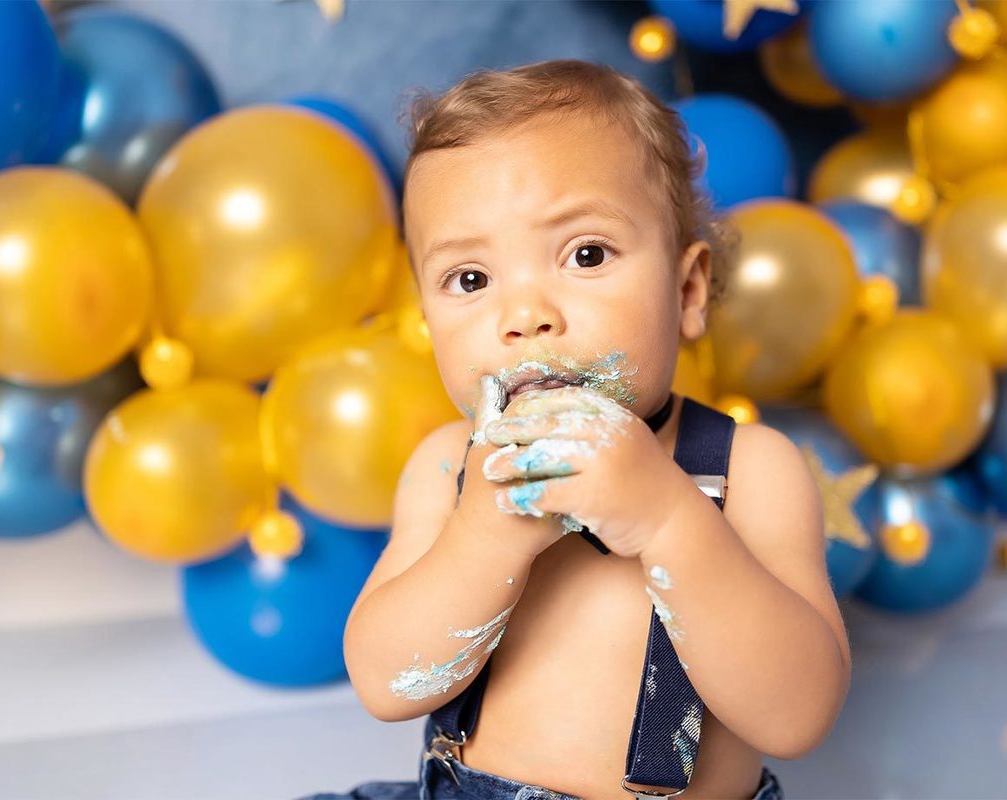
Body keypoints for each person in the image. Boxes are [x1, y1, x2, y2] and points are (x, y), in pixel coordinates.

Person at [305, 59, 850, 800]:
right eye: (470, 279)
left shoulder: (749, 469)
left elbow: (796, 715)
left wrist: (668, 519)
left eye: (585, 255)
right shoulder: (449, 469)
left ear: (687, 291)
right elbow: (387, 683)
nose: (525, 316)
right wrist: (483, 537)